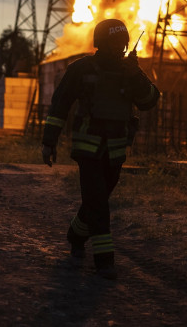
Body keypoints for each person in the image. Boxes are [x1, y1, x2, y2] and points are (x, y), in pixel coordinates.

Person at [41, 18, 160, 279]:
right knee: (98, 203)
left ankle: (75, 235)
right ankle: (104, 262)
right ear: (101, 44)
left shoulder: (129, 72)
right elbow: (59, 105)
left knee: (96, 201)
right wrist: (49, 141)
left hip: (116, 151)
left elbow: (150, 101)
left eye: (122, 43)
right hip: (88, 149)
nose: (119, 47)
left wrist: (136, 76)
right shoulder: (81, 69)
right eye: (114, 42)